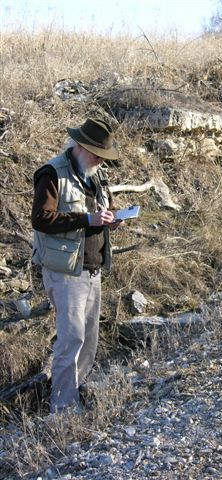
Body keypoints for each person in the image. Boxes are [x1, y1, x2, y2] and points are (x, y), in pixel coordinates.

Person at [32, 117, 121, 414]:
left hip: (92, 268)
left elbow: (102, 210)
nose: (100, 160)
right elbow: (41, 219)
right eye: (97, 154)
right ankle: (62, 408)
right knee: (71, 341)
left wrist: (113, 217)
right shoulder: (52, 173)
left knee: (89, 340)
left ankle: (75, 395)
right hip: (65, 272)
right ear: (81, 147)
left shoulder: (94, 174)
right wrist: (87, 220)